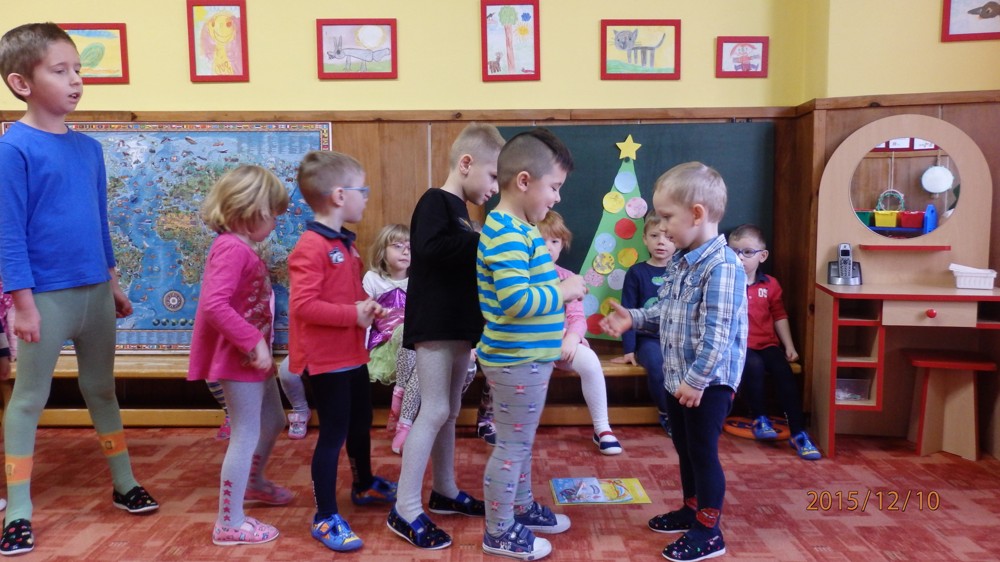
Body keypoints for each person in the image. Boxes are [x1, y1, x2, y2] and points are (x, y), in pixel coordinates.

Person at [0, 22, 159, 555]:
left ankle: (124, 483)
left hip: (95, 295)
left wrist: (113, 282)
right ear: (22, 83)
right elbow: (8, 234)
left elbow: (99, 222)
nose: (75, 80)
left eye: (78, 70)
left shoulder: (89, 149)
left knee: (101, 389)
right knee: (30, 399)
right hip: (44, 300)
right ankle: (18, 510)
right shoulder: (12, 150)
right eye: (60, 70)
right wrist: (22, 304)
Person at [602, 162, 747, 562]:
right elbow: (666, 311)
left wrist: (697, 381)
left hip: (708, 382)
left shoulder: (723, 266)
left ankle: (709, 531)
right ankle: (691, 508)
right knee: (685, 447)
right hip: (679, 376)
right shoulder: (683, 261)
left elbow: (718, 335)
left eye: (667, 217)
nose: (662, 228)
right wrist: (633, 318)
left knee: (702, 451)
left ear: (697, 214)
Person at [387, 123, 504, 550]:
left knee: (451, 409)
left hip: (457, 326)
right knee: (434, 409)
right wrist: (483, 241)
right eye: (493, 176)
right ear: (466, 163)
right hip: (435, 325)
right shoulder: (435, 201)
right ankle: (405, 509)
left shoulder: (463, 213)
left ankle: (445, 490)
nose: (495, 188)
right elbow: (430, 249)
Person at [477, 128, 586, 560]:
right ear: (524, 181)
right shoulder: (507, 233)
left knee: (518, 443)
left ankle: (519, 508)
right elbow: (518, 301)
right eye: (554, 187)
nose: (557, 198)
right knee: (511, 447)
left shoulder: (521, 228)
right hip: (516, 360)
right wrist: (564, 291)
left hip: (527, 358)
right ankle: (499, 530)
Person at [289, 150, 396, 553]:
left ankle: (363, 484)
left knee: (360, 422)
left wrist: (366, 308)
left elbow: (343, 299)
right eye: (361, 190)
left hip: (352, 354)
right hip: (326, 360)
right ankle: (324, 516)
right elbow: (304, 306)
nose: (365, 198)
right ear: (339, 195)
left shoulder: (344, 244)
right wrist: (353, 314)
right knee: (333, 434)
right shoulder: (311, 246)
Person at [187, 165, 291, 546]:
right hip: (238, 358)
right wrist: (252, 341)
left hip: (250, 358)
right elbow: (214, 305)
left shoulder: (241, 247)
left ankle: (252, 482)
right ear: (249, 211)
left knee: (274, 419)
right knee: (245, 432)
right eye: (272, 214)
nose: (276, 222)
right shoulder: (231, 249)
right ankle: (229, 522)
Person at [726, 224, 820, 460]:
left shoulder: (770, 285)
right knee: (754, 366)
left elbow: (779, 316)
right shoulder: (725, 283)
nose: (740, 257)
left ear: (762, 255)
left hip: (768, 344)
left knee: (784, 372)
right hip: (740, 346)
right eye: (734, 251)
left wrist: (789, 346)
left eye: (748, 252)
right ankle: (759, 417)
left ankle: (798, 432)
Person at [539, 210, 623, 454]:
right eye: (541, 240)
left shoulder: (568, 278)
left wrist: (572, 339)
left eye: (554, 241)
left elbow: (577, 318)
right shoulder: (520, 277)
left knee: (590, 360)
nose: (548, 247)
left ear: (563, 244)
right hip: (530, 346)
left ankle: (602, 428)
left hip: (562, 344)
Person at [613, 214, 676, 436]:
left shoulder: (682, 271)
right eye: (655, 236)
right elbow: (627, 311)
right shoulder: (637, 272)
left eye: (668, 237)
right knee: (658, 366)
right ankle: (667, 414)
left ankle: (689, 415)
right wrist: (629, 350)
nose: (661, 242)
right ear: (644, 239)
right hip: (649, 340)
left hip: (678, 338)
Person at [361, 223, 414, 454]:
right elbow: (364, 317)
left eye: (410, 247)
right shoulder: (373, 279)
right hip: (383, 345)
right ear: (383, 251)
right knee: (403, 332)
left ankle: (402, 405)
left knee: (409, 333)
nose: (405, 251)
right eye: (398, 246)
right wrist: (360, 351)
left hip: (411, 347)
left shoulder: (418, 279)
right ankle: (403, 406)